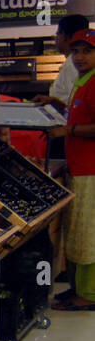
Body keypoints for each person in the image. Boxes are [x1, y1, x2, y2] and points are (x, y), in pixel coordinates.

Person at [50, 28, 95, 310]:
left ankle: (89, 296)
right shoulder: (82, 81)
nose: (79, 57)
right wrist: (55, 104)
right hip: (79, 168)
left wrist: (69, 130)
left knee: (87, 235)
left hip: (91, 171)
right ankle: (77, 288)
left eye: (87, 51)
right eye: (76, 51)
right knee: (76, 232)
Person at [35, 14, 89, 111]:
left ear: (65, 37)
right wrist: (52, 101)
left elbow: (75, 106)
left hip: (66, 124)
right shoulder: (73, 64)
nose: (55, 39)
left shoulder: (73, 65)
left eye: (57, 34)